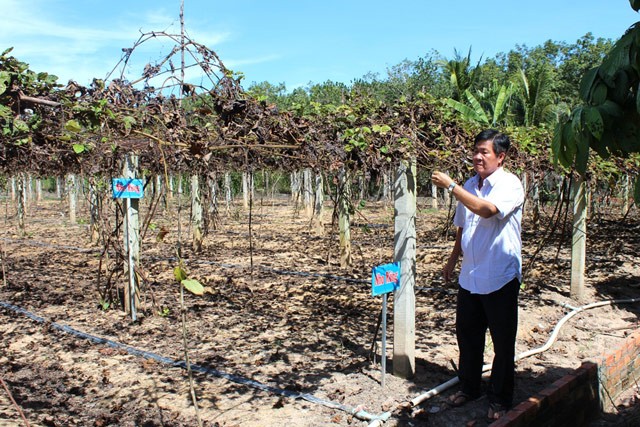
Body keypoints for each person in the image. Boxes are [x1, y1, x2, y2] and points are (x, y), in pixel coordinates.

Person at [431, 129, 524, 422]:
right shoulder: (471, 184)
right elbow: (463, 227)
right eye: (475, 151)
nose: (477, 156)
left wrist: (451, 186)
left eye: (484, 152)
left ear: (501, 156)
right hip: (469, 277)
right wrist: (451, 261)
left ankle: (500, 399)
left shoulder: (510, 184)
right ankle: (469, 388)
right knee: (468, 338)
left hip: (499, 277)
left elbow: (486, 210)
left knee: (502, 342)